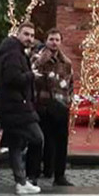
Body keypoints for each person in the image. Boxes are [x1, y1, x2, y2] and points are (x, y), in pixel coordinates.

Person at [0, 22, 44, 195]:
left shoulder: (16, 53)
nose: (29, 38)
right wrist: (31, 75)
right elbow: (12, 78)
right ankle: (26, 177)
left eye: (31, 35)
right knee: (37, 138)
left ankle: (21, 181)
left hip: (14, 106)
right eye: (26, 34)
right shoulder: (13, 54)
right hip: (16, 108)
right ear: (18, 34)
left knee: (15, 144)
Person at [32, 28, 74, 186]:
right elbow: (32, 74)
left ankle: (59, 175)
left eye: (57, 39)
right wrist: (42, 60)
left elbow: (70, 83)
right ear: (46, 41)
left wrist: (69, 100)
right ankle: (35, 173)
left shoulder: (66, 62)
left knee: (61, 142)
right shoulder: (38, 58)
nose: (54, 42)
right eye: (51, 39)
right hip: (42, 105)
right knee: (39, 140)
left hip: (61, 105)